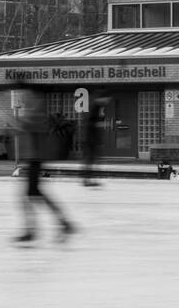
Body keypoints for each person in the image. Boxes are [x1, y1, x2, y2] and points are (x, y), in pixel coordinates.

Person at [12, 83, 76, 244]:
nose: (22, 97)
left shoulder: (36, 107)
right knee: (34, 193)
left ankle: (37, 229)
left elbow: (33, 126)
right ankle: (62, 224)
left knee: (30, 194)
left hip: (36, 157)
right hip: (33, 157)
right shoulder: (34, 105)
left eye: (24, 93)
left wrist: (18, 123)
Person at [80, 91, 110, 188]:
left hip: (92, 138)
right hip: (90, 138)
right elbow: (91, 123)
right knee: (90, 159)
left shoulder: (97, 107)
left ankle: (89, 179)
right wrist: (101, 124)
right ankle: (86, 179)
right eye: (107, 99)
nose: (107, 101)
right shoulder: (95, 107)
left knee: (92, 160)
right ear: (102, 98)